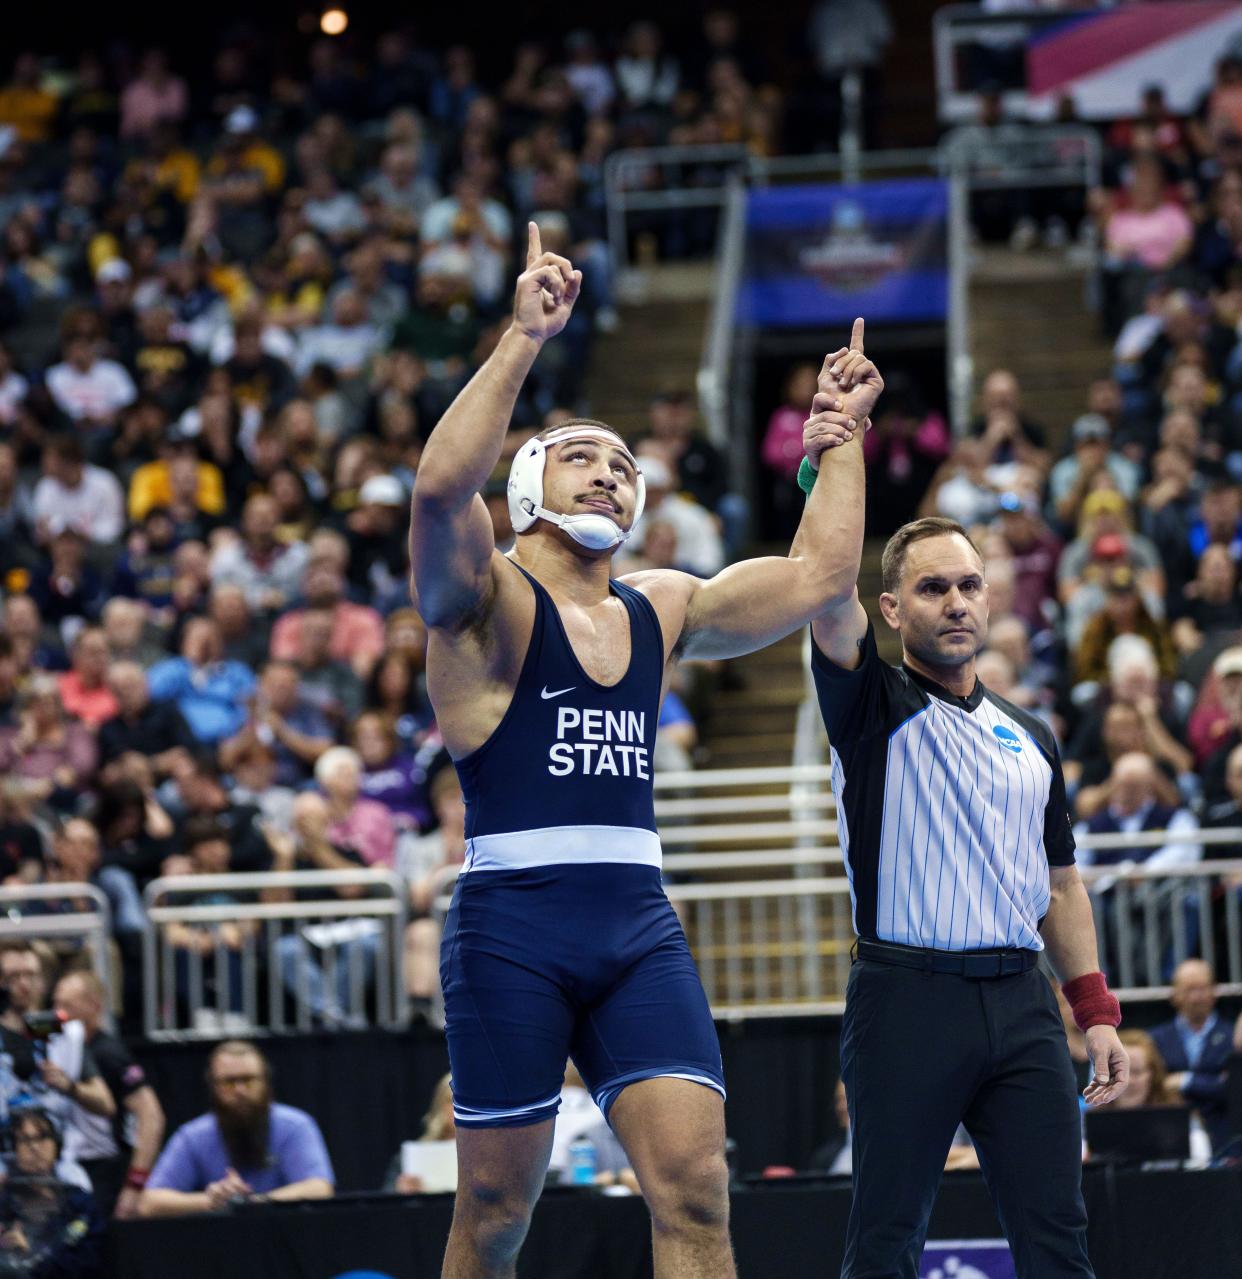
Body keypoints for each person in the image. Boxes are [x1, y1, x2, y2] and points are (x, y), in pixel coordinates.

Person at [409, 225, 869, 1279]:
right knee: (494, 1207)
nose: (613, 475)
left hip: (634, 924)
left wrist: (837, 438)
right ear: (527, 492)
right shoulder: (483, 604)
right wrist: (523, 338)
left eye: (625, 466)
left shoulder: (662, 604)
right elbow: (437, 492)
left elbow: (817, 579)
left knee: (700, 1191)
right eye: (583, 457)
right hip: (512, 927)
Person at [805, 377, 1127, 1277]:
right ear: (893, 608)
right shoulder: (870, 704)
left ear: (991, 601)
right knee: (885, 1241)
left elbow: (1062, 882)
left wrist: (1093, 1009)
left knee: (1058, 1237)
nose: (957, 600)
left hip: (1024, 1001)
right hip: (907, 999)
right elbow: (826, 584)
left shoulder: (1033, 736)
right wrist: (836, 451)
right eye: (933, 586)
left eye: (971, 585)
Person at [139, 1040, 333, 1217]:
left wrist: (255, 1203)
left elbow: (319, 1187)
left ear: (265, 1081)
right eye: (229, 1082)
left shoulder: (295, 1126)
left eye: (248, 1080)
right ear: (213, 1085)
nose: (240, 1091)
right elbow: (150, 1202)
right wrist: (210, 1200)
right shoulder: (193, 1136)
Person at [51, 971, 165, 1219]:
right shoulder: (59, 1045)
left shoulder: (108, 1053)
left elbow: (151, 1116)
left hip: (102, 1172)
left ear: (94, 1006)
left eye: (67, 1006)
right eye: (55, 1004)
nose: (58, 1014)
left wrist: (134, 1185)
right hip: (67, 1167)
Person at [0, 1108, 106, 1278]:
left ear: (57, 1145)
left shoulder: (80, 1204)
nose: (34, 1147)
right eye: (24, 1140)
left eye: (42, 1137)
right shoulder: (4, 1202)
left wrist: (31, 1256)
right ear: (14, 1149)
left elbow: (88, 1263)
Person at [1148, 959, 1234, 1150]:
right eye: (1189, 989)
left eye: (1203, 988)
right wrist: (1212, 1082)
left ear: (1214, 991)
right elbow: (1153, 1088)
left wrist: (1186, 1081)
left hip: (1227, 1139)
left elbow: (1233, 1088)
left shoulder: (1234, 1037)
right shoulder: (1154, 1039)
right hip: (1167, 1138)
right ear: (1174, 994)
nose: (1196, 997)